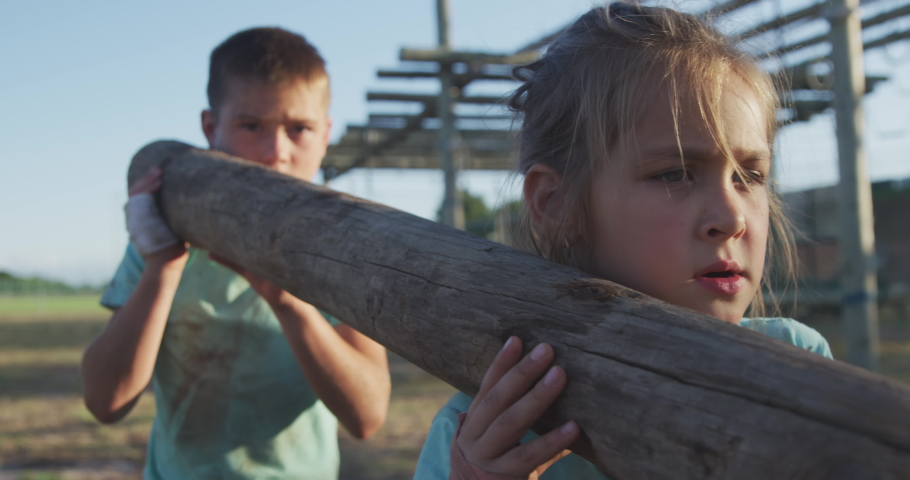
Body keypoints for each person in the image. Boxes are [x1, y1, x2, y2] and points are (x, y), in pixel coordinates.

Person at [413, 3, 833, 479]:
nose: (732, 217)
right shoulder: (489, 431)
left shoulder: (796, 365)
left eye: (748, 175)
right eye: (674, 173)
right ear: (557, 204)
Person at [81, 28, 391, 479]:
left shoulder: (341, 248)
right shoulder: (168, 240)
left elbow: (367, 417)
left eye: (298, 129)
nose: (276, 153)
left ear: (325, 135)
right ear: (211, 129)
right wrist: (161, 267)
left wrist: (288, 301)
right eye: (251, 127)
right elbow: (104, 402)